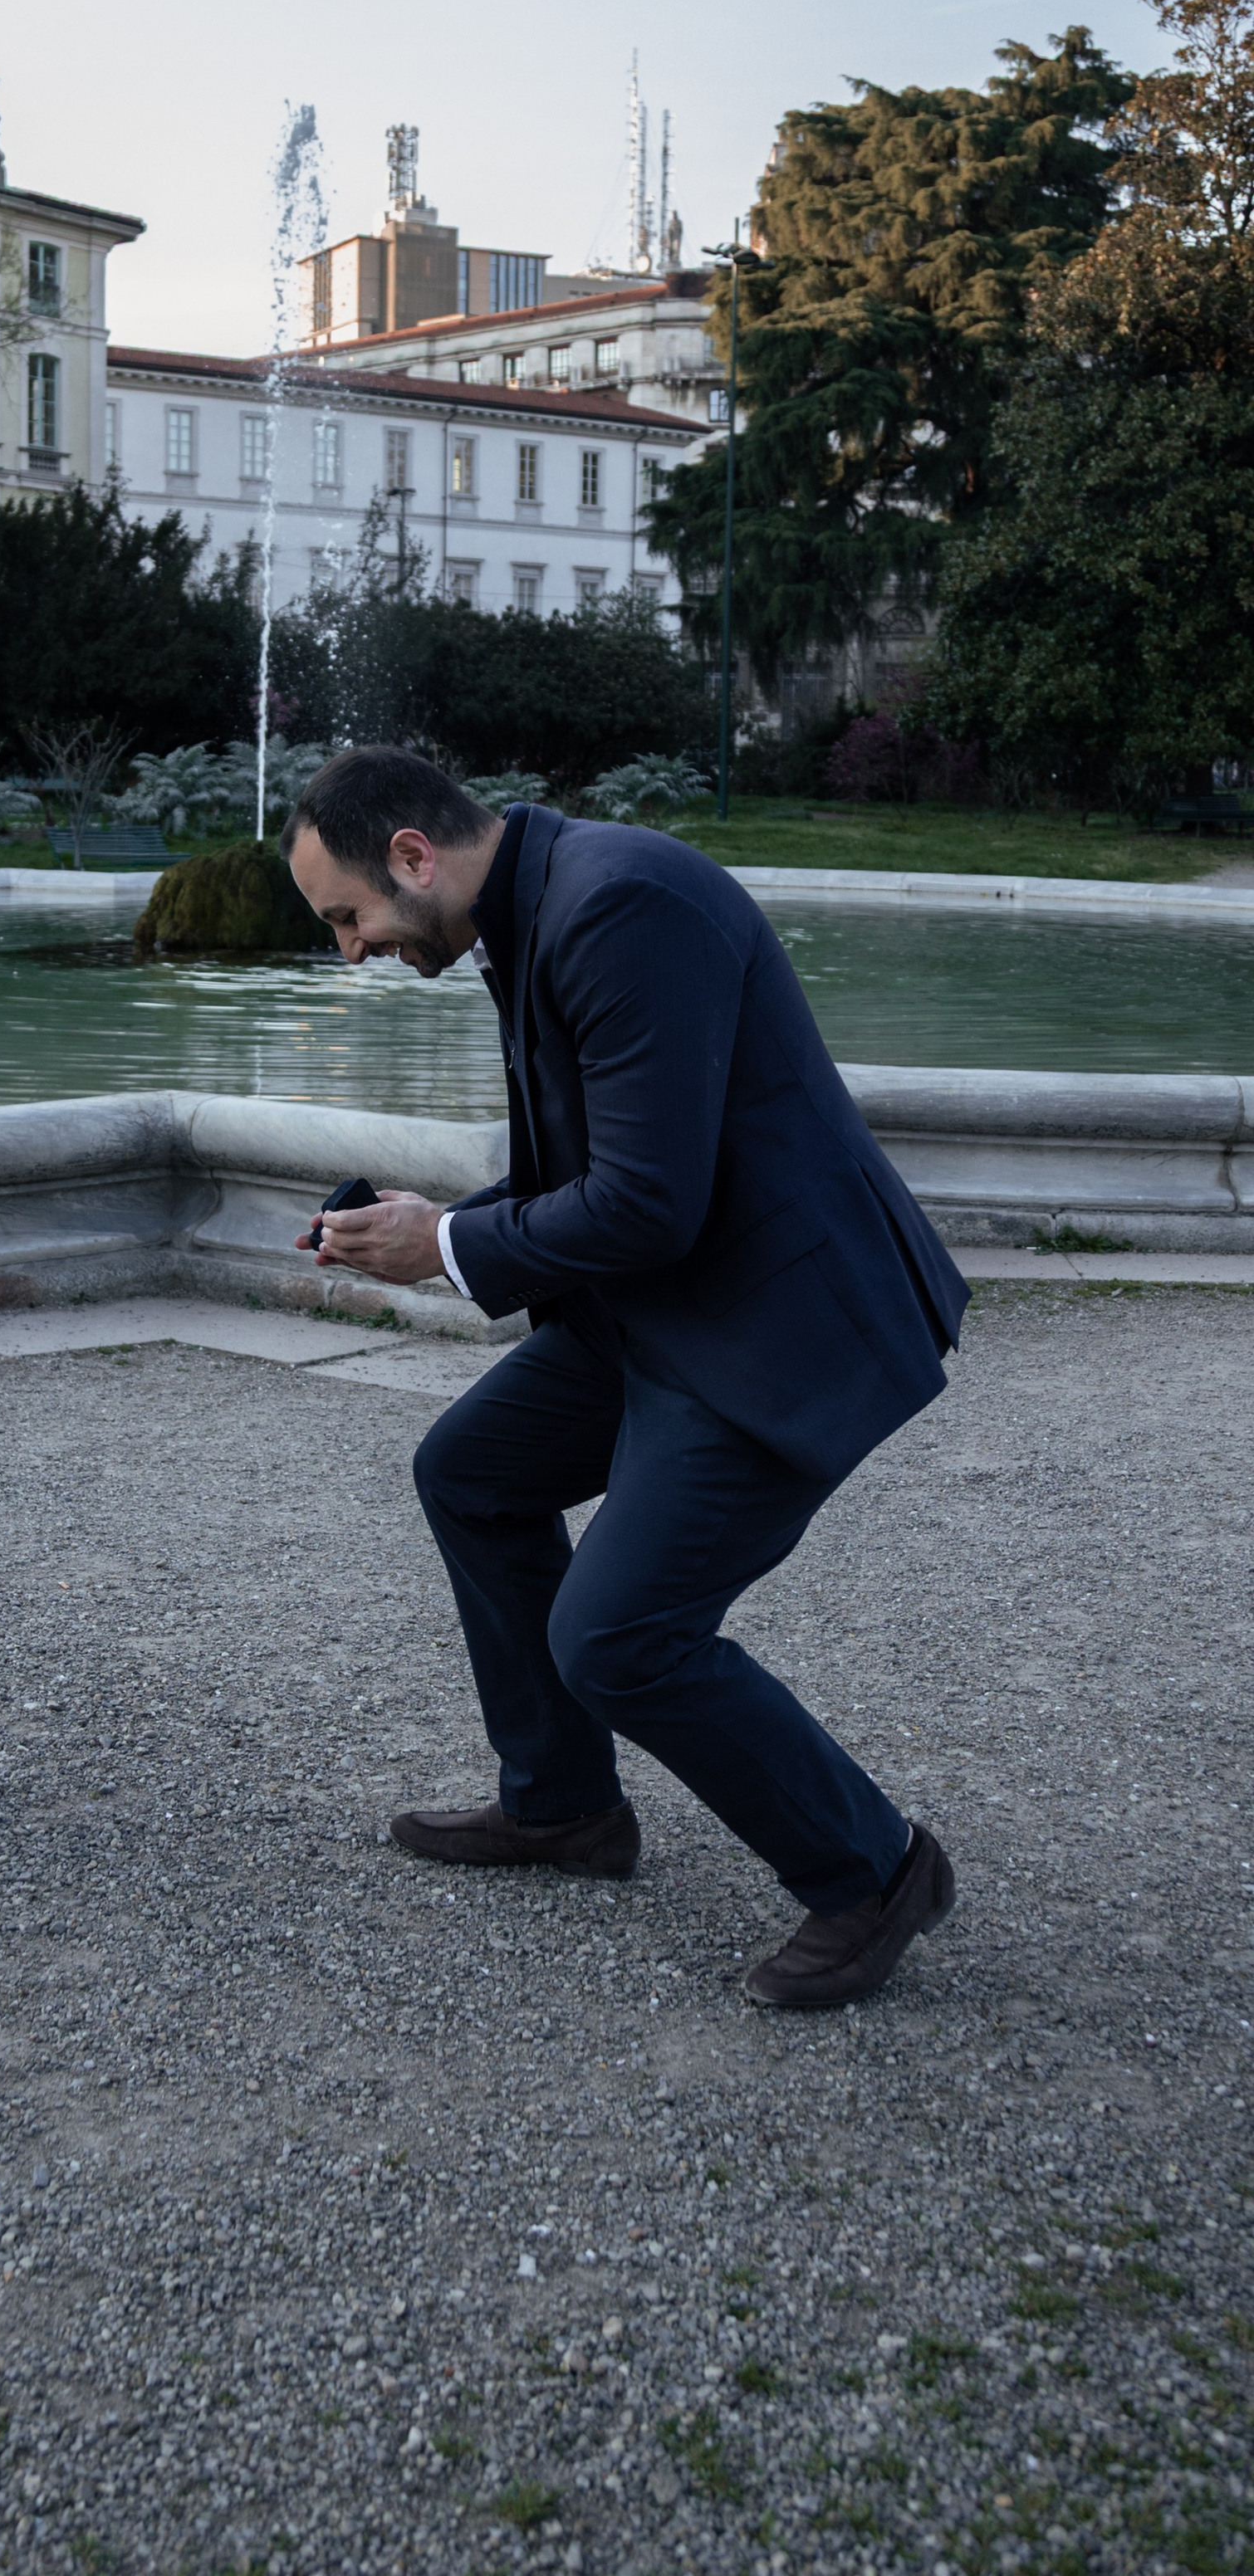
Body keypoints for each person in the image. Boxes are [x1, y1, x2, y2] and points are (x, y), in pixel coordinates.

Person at [282, 746, 967, 2011]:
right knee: (472, 1473)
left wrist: (443, 1246)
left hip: (773, 1327)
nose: (352, 949)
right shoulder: (537, 906)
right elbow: (601, 1179)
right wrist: (433, 1219)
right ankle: (565, 1808)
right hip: (668, 1304)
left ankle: (876, 1870)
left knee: (619, 1634)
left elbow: (648, 1205)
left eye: (349, 916)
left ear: (413, 860)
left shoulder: (620, 905)